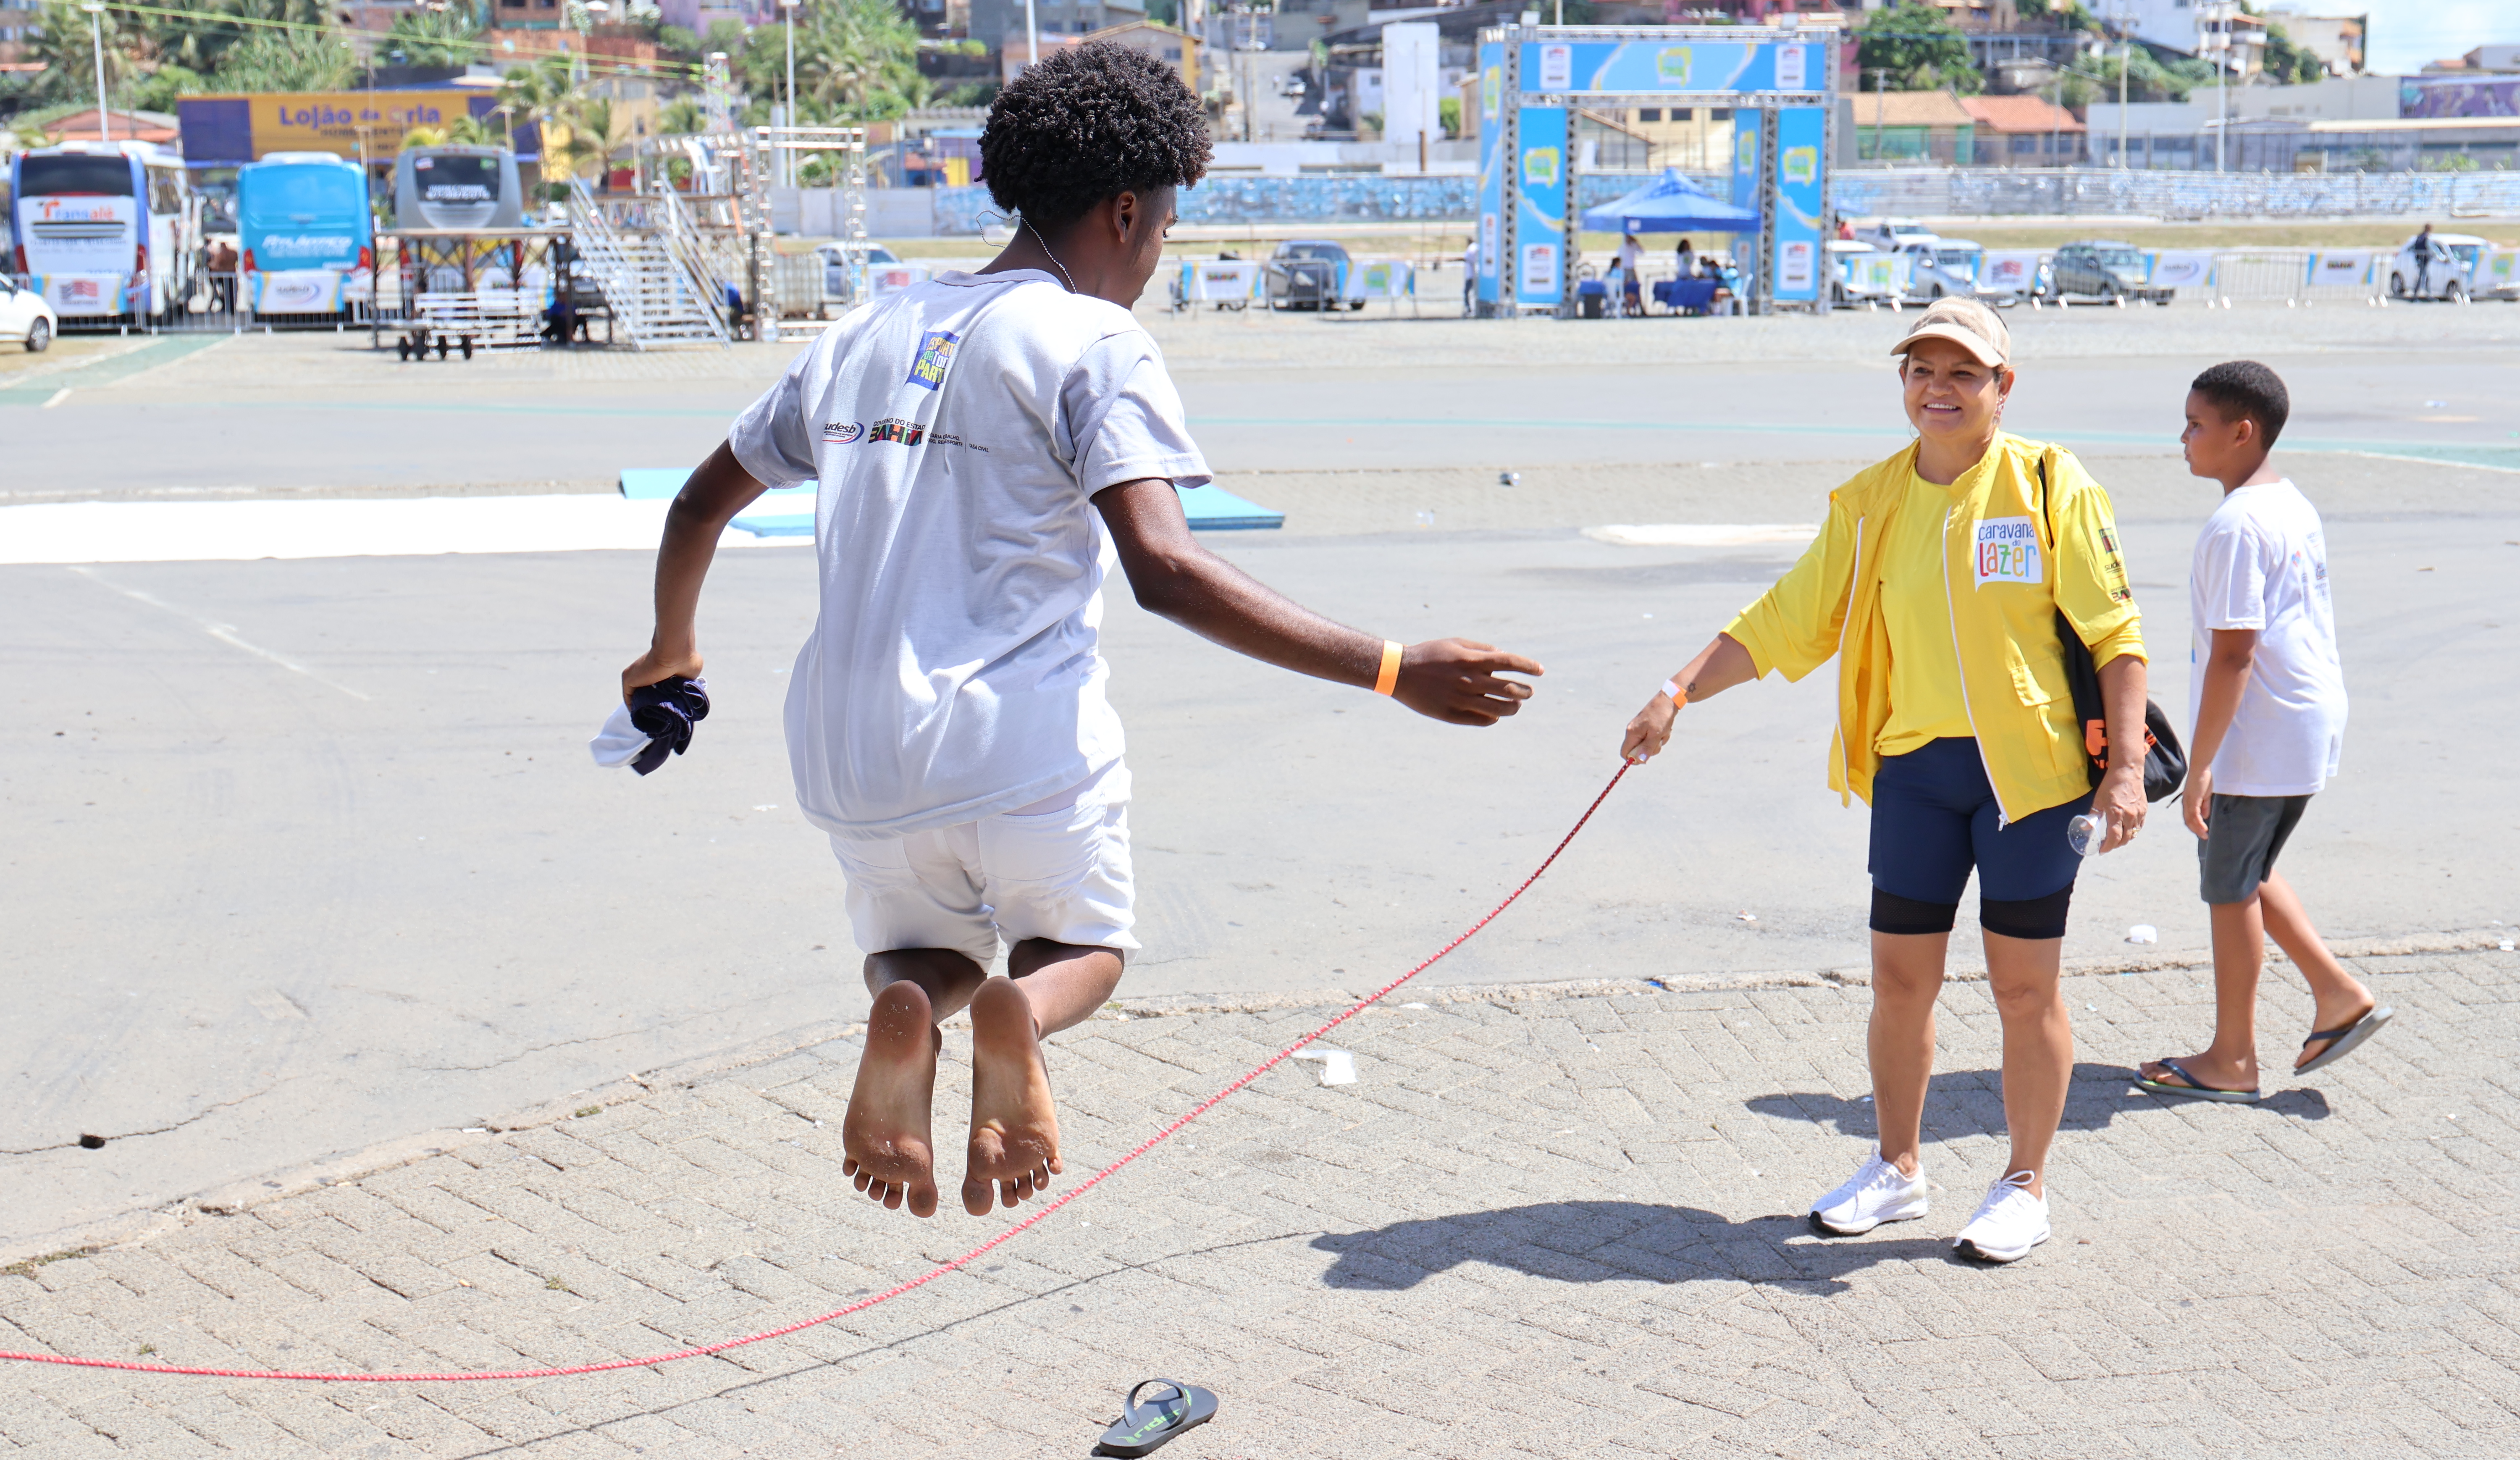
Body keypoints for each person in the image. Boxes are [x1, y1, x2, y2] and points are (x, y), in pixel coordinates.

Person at [621, 44, 1544, 1221]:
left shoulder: (860, 334)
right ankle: (1028, 1014)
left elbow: (698, 504)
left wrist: (671, 650)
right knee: (1083, 948)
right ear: (1124, 209)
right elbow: (1165, 568)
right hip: (1014, 746)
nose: (1158, 258)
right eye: (1163, 228)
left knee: (922, 950)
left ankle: (911, 1007)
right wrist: (1394, 666)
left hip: (848, 753)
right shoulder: (1090, 343)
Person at [1620, 298, 2150, 1264]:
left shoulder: (2045, 483)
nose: (1938, 391)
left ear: (2003, 386)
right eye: (1921, 372)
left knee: (2024, 990)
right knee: (1900, 980)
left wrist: (2120, 776)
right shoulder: (1871, 504)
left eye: (1962, 374)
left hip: (2031, 781)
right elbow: (1786, 619)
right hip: (1916, 773)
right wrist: (1677, 691)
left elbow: (2116, 633)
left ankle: (2024, 1183)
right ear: (1902, 384)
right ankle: (1897, 1168)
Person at [2137, 361, 2387, 1102]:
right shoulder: (2286, 502)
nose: (2182, 438)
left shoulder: (2237, 525)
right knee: (2247, 867)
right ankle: (2337, 995)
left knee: (2228, 886)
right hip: (2302, 720)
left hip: (2262, 732)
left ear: (2241, 432)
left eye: (2195, 424)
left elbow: (2235, 652)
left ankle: (2233, 1060)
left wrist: (2202, 765)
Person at [1620, 229, 1646, 315]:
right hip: (1625, 270)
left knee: (1636, 288)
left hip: (1632, 269)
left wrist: (1636, 243)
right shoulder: (1622, 247)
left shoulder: (1633, 246)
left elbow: (1642, 252)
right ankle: (1627, 308)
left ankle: (1640, 307)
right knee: (1626, 289)